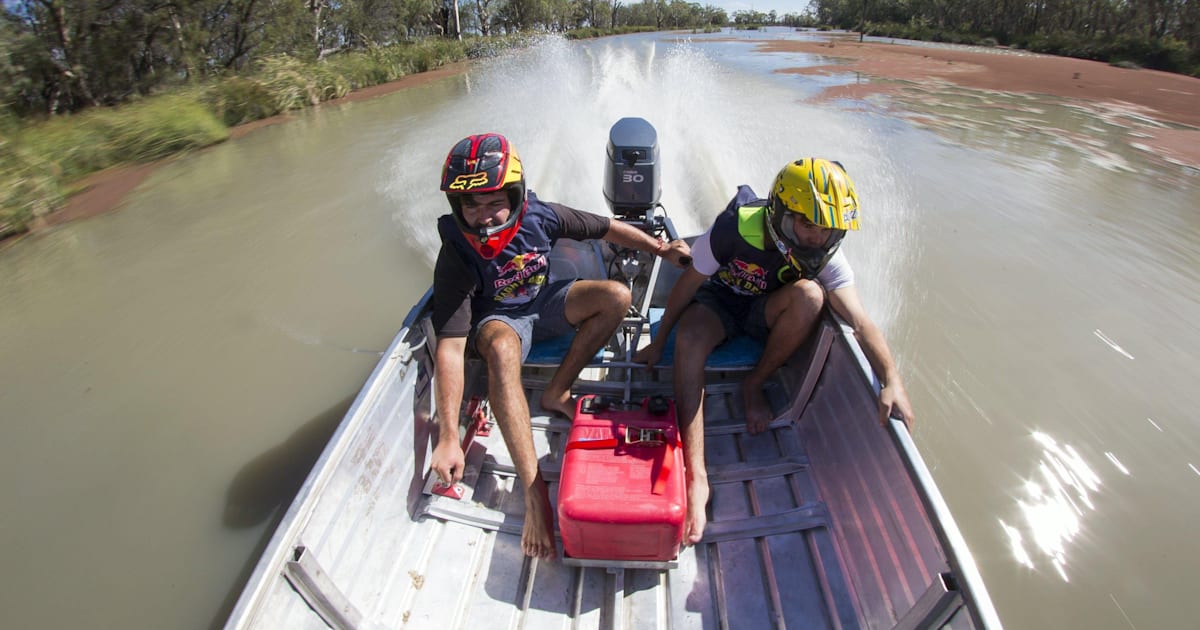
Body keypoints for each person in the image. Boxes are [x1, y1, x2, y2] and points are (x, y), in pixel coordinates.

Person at [428, 133, 691, 559]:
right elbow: (451, 348)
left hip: (546, 304)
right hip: (501, 324)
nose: (482, 217)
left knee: (617, 297)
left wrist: (661, 249)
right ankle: (534, 495)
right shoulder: (457, 254)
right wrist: (446, 436)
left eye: (493, 201)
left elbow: (607, 228)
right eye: (470, 205)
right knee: (500, 349)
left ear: (515, 194)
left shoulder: (541, 217)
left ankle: (557, 392)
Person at [635, 158, 914, 544]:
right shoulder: (734, 228)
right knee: (690, 337)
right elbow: (687, 284)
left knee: (811, 295)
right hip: (719, 302)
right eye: (807, 225)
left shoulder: (827, 254)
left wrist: (891, 378)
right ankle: (696, 475)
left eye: (827, 230)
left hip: (766, 311)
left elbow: (861, 322)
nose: (817, 238)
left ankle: (755, 384)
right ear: (782, 214)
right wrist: (660, 340)